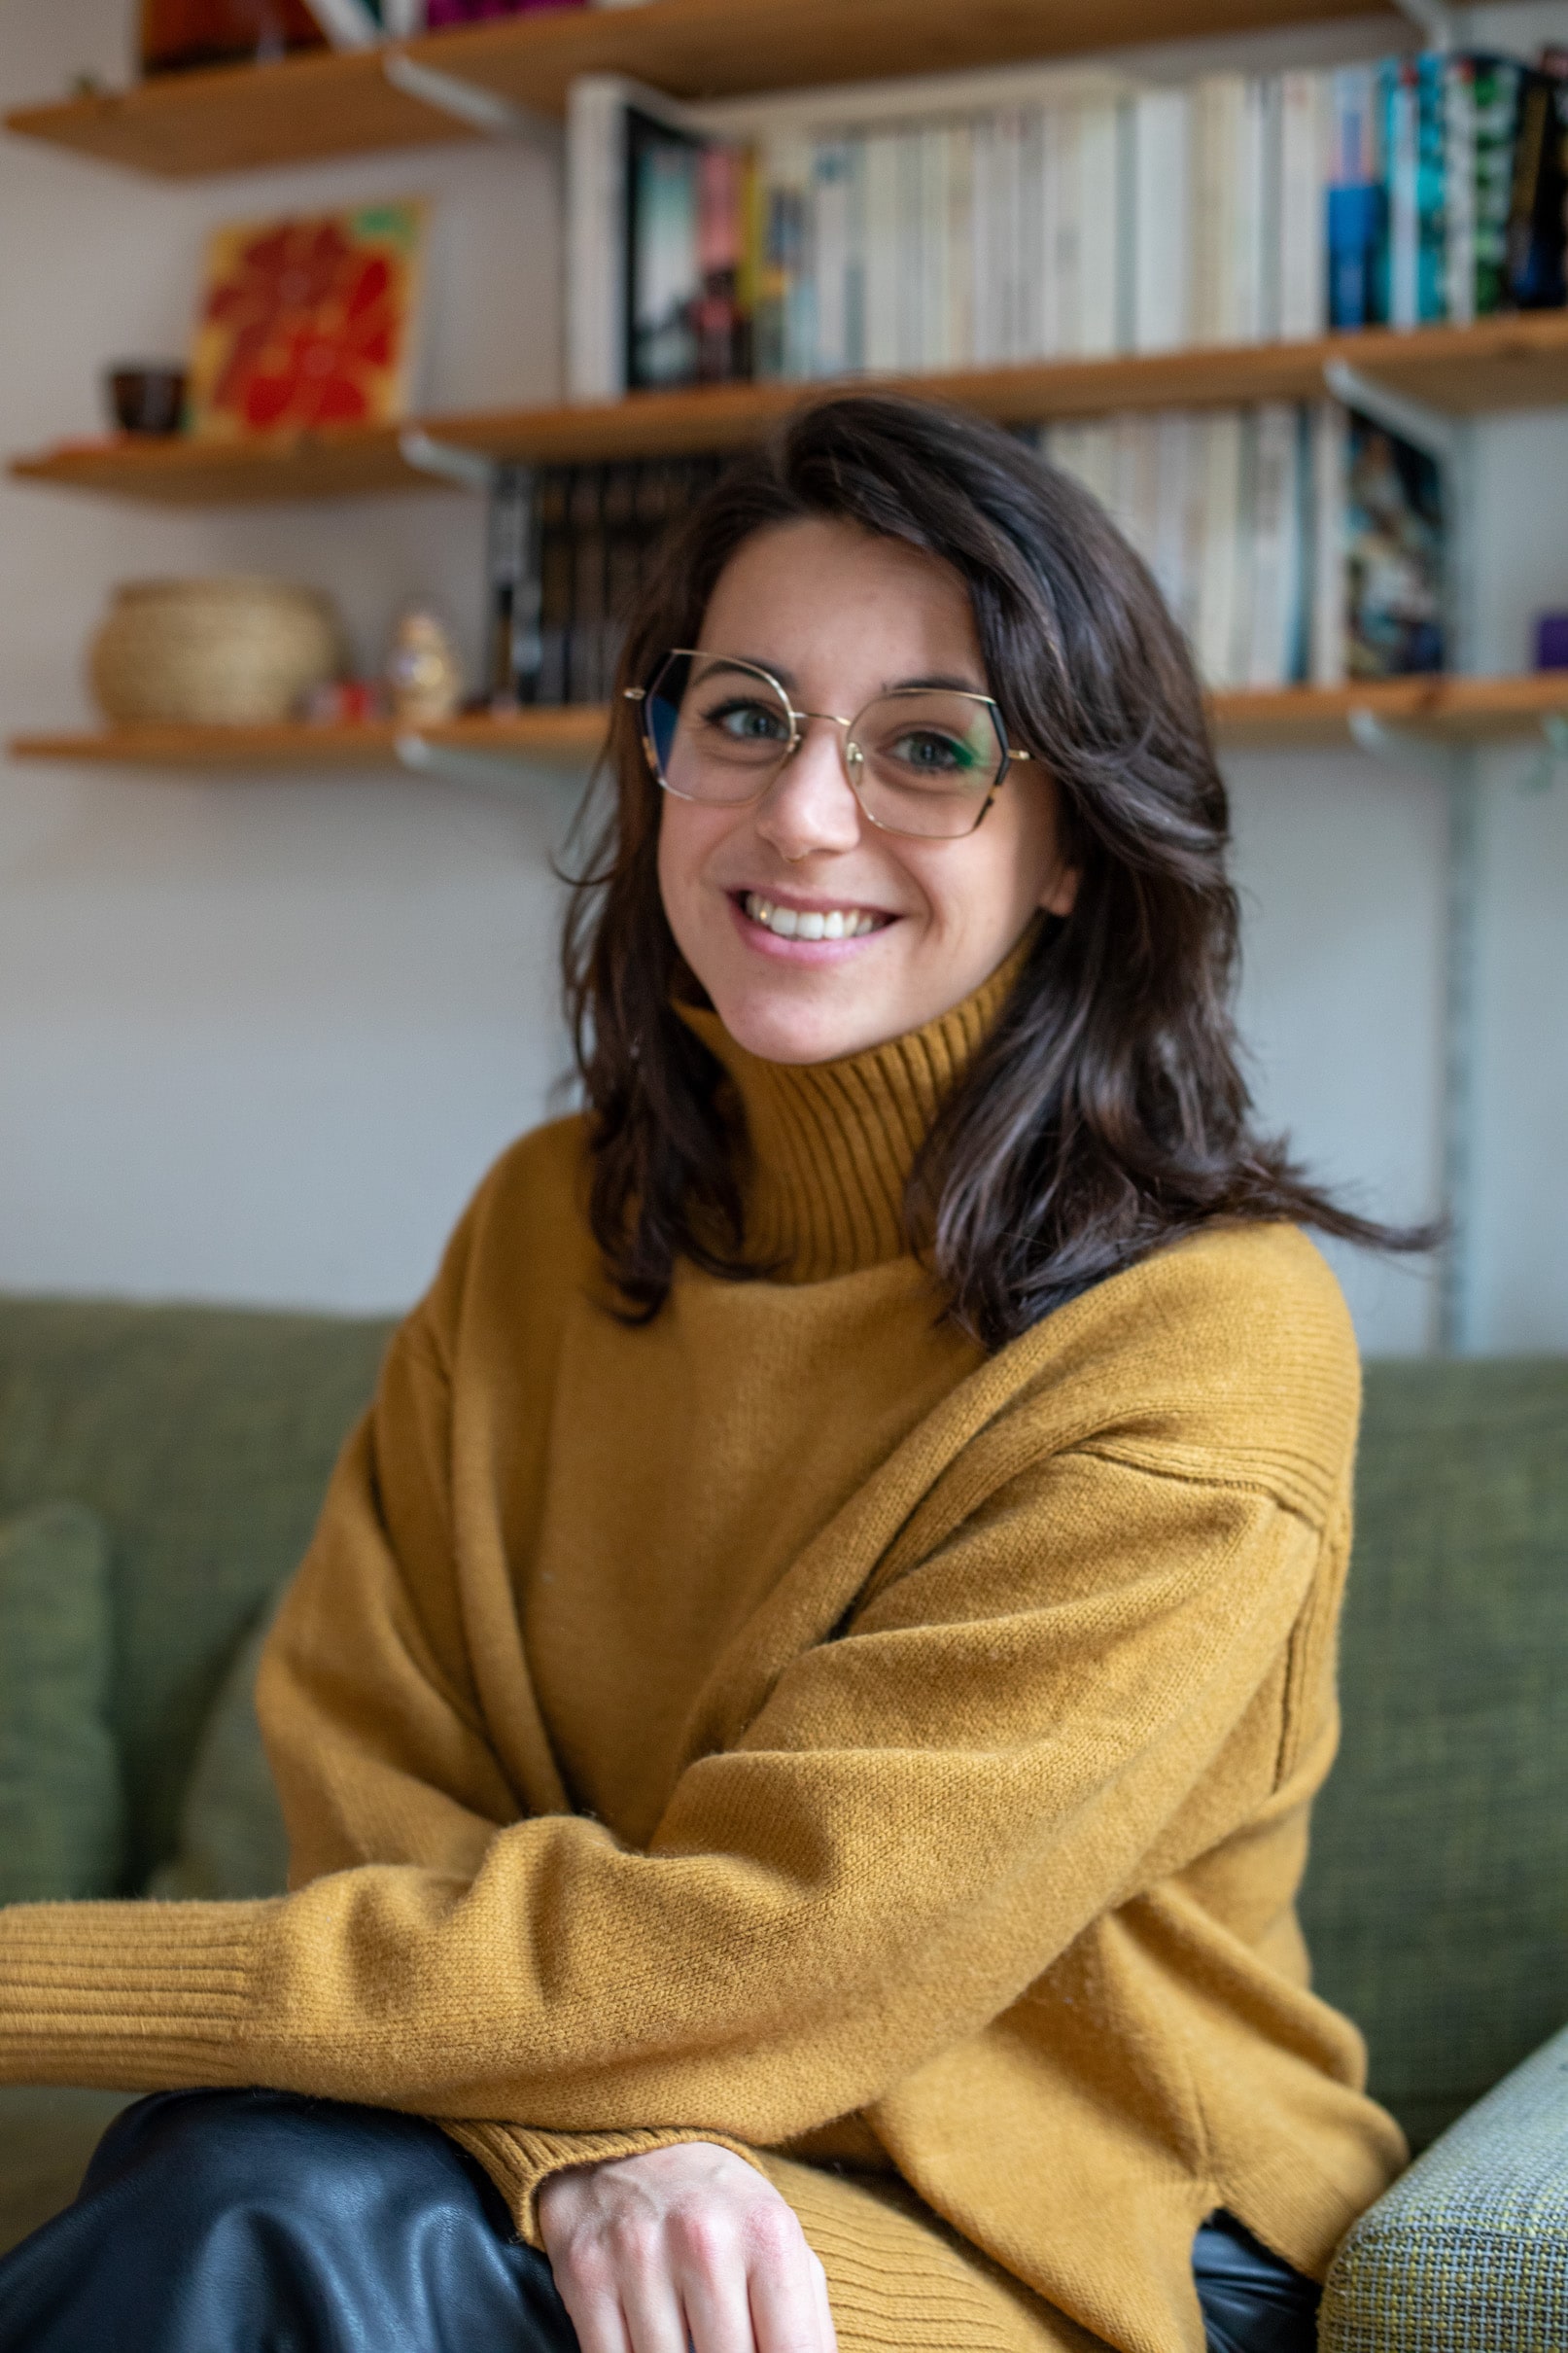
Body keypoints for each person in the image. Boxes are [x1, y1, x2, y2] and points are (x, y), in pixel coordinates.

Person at [0, 394, 1417, 2353]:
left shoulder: (1203, 1340)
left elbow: (790, 1943)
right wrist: (570, 2124)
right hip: (611, 2126)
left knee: (270, 2220)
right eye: (745, 715)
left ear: (1077, 839)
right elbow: (376, 1761)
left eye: (930, 748)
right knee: (264, 2197)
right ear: (662, 750)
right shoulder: (538, 1228)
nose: (804, 814)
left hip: (1074, 2227)